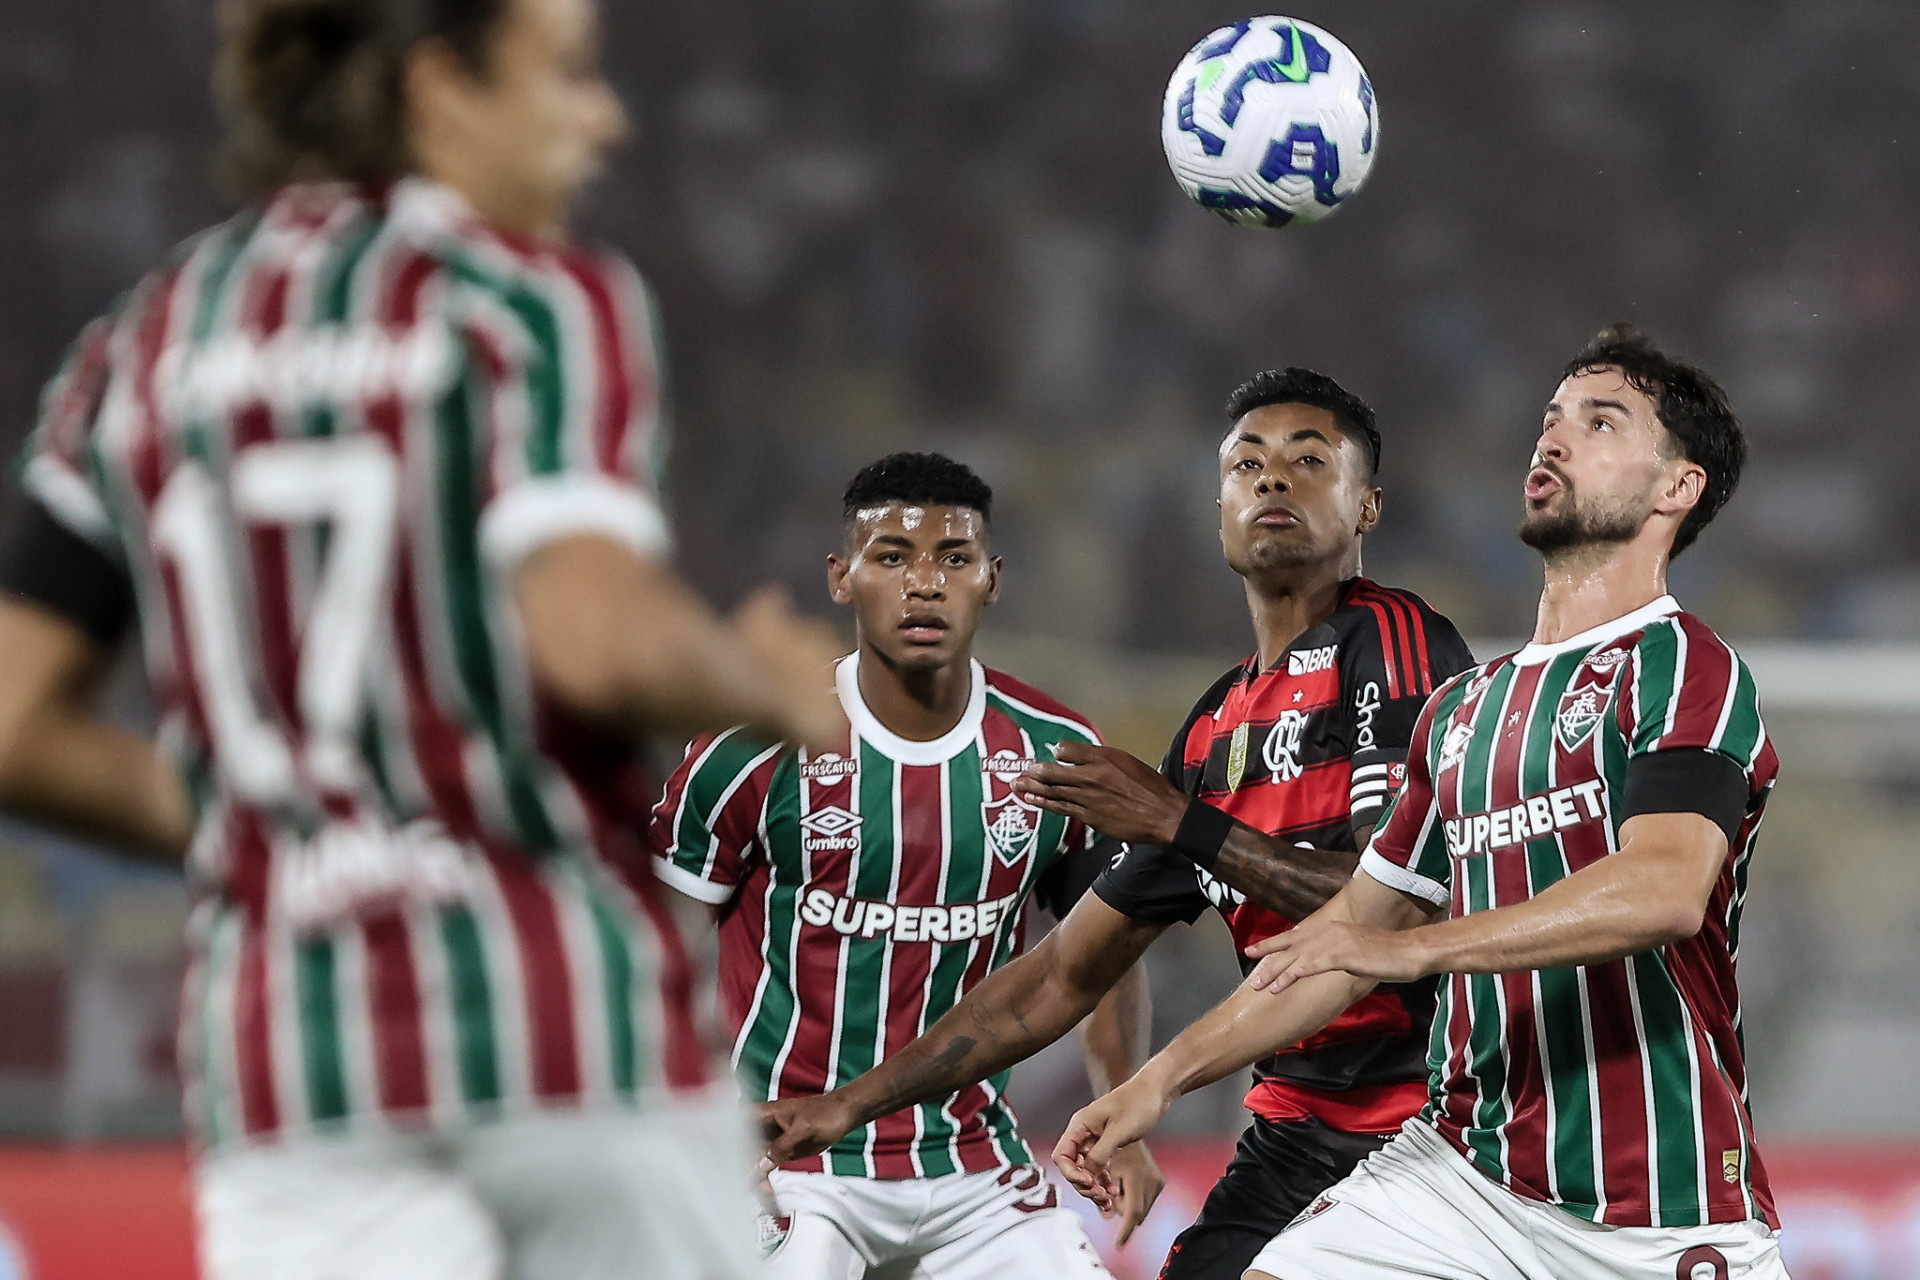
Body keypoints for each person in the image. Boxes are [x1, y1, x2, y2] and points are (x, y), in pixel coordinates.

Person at [0, 0, 845, 1276]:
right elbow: (596, 638)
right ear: (442, 89)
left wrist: (282, 813)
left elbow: (11, 723)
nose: (602, 117)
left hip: (291, 1068)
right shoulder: (529, 302)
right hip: (568, 1041)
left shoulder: (142, 345)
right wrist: (769, 684)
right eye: (566, 72)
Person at [1055, 325, 1792, 1280]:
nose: (1553, 440)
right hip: (1459, 1179)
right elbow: (1342, 945)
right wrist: (1155, 1084)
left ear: (1675, 488)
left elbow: (1662, 892)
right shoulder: (1461, 713)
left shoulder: (1682, 664)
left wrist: (1402, 948)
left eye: (1598, 422)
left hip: (1659, 1207)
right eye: (1551, 418)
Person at [761, 371, 1476, 1280]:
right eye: (1247, 464)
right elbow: (1060, 974)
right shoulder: (1214, 728)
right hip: (1296, 1128)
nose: (1272, 481)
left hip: (1434, 1123)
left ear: (1367, 505)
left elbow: (1398, 909)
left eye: (1308, 461)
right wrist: (849, 1105)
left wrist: (1184, 825)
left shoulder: (1397, 644)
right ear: (1216, 503)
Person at [651, 452, 1157, 1279]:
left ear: (992, 580)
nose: (924, 584)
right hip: (792, 1165)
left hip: (976, 1168)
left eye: (952, 559)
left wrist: (1121, 1117)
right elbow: (651, 944)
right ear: (841, 578)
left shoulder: (1055, 751)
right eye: (892, 556)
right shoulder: (754, 744)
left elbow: (1101, 949)